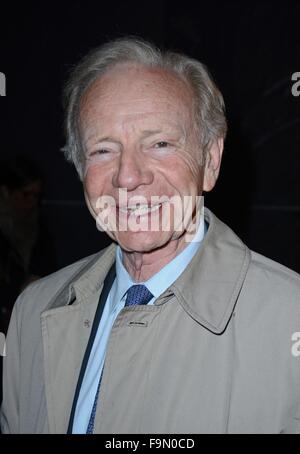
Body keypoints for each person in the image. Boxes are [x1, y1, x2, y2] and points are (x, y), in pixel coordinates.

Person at [1, 37, 300, 435]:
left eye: (159, 144)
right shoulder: (32, 313)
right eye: (103, 150)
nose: (127, 176)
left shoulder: (288, 320)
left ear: (210, 160)